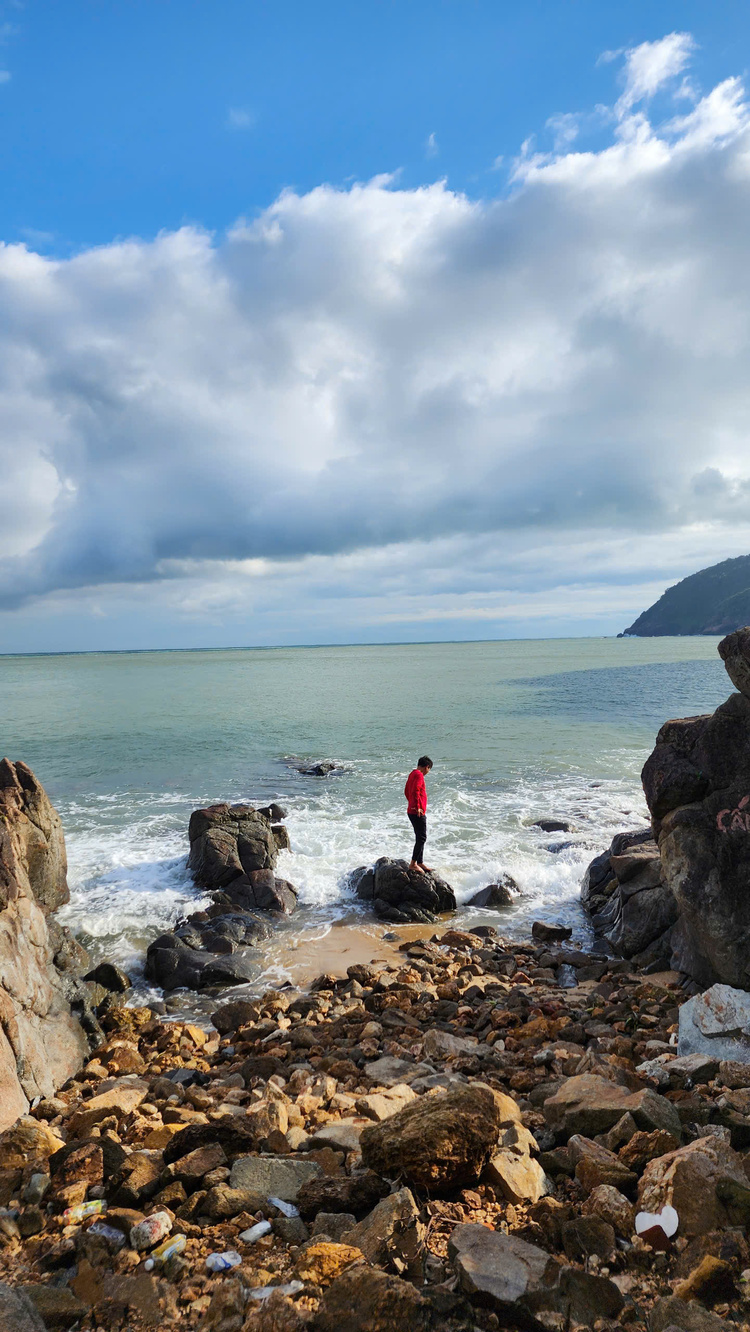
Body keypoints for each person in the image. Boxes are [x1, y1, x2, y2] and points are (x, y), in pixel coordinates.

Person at [404, 756, 433, 873]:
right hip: (416, 812)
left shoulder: (412, 773)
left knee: (420, 837)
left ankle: (420, 862)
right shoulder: (419, 775)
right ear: (427, 767)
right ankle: (413, 864)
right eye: (429, 769)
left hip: (412, 810)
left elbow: (406, 791)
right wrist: (418, 807)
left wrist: (411, 803)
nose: (428, 772)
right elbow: (415, 790)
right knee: (421, 838)